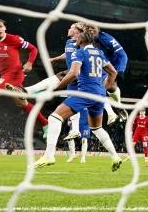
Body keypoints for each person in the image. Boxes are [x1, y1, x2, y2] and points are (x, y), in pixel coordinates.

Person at [34, 29, 123, 171]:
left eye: (78, 38)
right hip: (99, 95)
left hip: (85, 93)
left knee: (54, 117)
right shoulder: (99, 53)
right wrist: (104, 88)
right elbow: (113, 72)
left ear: (81, 40)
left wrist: (58, 87)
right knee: (97, 128)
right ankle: (115, 157)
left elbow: (73, 73)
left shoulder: (79, 52)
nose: (75, 40)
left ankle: (49, 156)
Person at [94, 29, 129, 125]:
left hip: (110, 66)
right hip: (95, 66)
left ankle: (117, 106)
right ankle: (111, 114)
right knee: (95, 88)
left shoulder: (105, 38)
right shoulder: (82, 39)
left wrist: (121, 70)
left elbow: (122, 55)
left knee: (108, 87)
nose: (90, 31)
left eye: (93, 28)